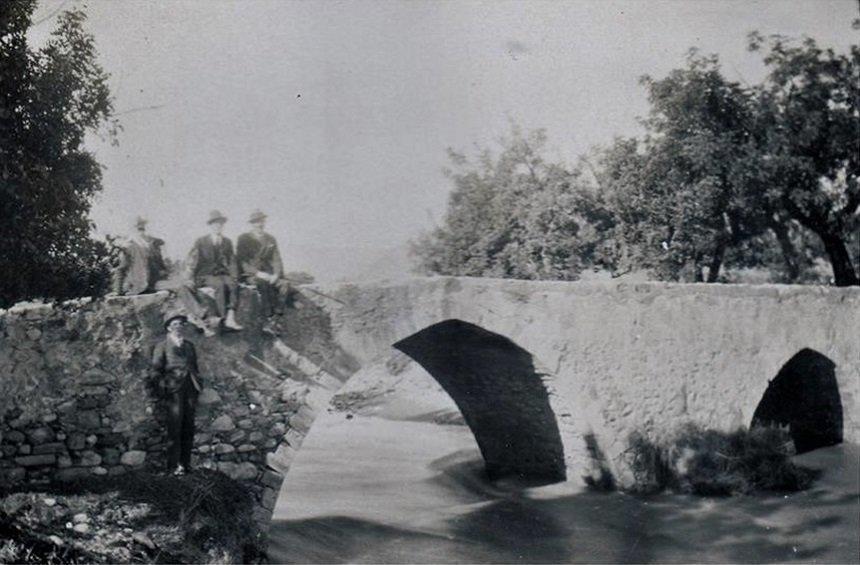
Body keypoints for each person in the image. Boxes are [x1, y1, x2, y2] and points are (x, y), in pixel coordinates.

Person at [150, 312, 202, 476]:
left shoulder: (189, 345)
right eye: (175, 324)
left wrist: (198, 383)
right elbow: (155, 371)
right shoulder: (162, 346)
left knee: (188, 426)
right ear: (168, 328)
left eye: (181, 324)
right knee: (174, 426)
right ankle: (172, 466)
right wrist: (164, 389)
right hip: (173, 390)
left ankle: (185, 465)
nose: (179, 327)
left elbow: (195, 366)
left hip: (190, 389)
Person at [178, 210, 243, 333]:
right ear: (210, 226)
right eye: (215, 224)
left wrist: (235, 276)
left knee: (233, 283)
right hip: (204, 275)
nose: (218, 226)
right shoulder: (201, 241)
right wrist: (189, 277)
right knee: (220, 285)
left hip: (221, 274)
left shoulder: (227, 242)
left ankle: (231, 315)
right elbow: (192, 259)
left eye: (220, 224)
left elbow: (232, 261)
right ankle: (221, 319)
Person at [236, 209, 290, 321]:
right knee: (262, 284)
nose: (259, 225)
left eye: (261, 221)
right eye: (256, 222)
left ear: (264, 222)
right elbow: (242, 262)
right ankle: (268, 316)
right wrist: (258, 273)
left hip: (269, 274)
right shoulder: (243, 239)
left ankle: (277, 316)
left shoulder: (270, 239)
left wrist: (276, 274)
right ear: (251, 224)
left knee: (284, 284)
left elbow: (276, 258)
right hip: (250, 275)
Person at [110, 216, 168, 295]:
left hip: (137, 282)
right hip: (146, 281)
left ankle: (118, 290)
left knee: (121, 268)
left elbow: (123, 247)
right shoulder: (147, 238)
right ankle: (121, 290)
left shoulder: (132, 238)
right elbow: (160, 243)